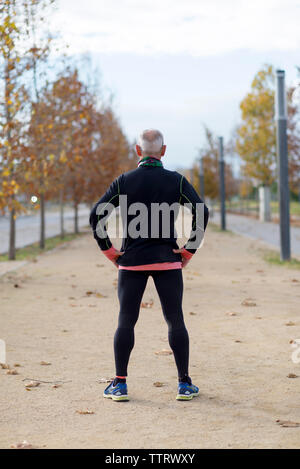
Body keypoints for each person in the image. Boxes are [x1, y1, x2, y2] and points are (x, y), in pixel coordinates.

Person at [89, 129, 209, 401]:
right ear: (163, 151)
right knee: (175, 319)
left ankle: (120, 384)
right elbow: (202, 211)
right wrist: (188, 251)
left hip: (131, 263)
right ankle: (184, 384)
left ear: (137, 150)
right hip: (168, 260)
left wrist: (110, 252)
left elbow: (96, 216)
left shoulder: (123, 182)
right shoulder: (176, 181)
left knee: (126, 321)